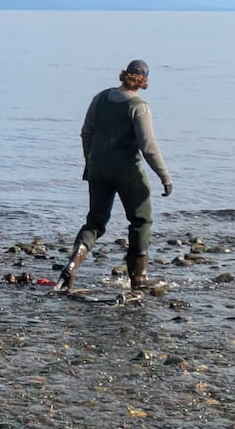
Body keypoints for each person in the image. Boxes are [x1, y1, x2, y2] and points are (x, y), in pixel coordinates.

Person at [57, 59, 172, 293]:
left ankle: (69, 269)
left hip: (98, 168)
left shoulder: (100, 98)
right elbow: (148, 147)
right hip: (127, 171)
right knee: (141, 220)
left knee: (96, 221)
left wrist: (89, 162)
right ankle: (139, 278)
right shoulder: (139, 107)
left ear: (124, 75)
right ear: (144, 81)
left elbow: (86, 133)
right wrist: (165, 177)